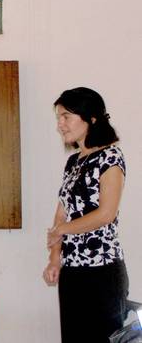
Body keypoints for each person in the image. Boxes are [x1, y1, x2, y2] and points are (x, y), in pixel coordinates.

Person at [42, 87, 129, 343]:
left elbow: (106, 213)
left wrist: (61, 231)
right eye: (58, 117)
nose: (60, 125)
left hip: (103, 271)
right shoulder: (74, 162)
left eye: (66, 116)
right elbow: (61, 213)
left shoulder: (111, 157)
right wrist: (55, 259)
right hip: (73, 271)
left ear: (91, 118)